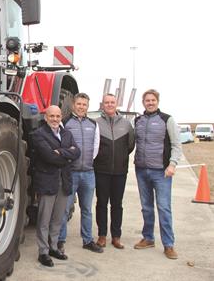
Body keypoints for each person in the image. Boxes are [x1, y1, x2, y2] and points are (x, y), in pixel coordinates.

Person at [133, 89, 182, 259]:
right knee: (146, 207)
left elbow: (177, 144)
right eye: (147, 100)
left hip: (162, 172)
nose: (150, 103)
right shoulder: (138, 120)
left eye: (153, 100)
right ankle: (148, 238)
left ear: (157, 101)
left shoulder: (167, 120)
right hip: (141, 170)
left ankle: (168, 245)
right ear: (143, 102)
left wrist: (172, 164)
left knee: (164, 208)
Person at [31, 105, 80, 267]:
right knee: (44, 218)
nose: (55, 119)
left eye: (58, 116)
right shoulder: (39, 134)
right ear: (46, 117)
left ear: (61, 117)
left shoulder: (67, 133)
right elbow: (49, 156)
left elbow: (77, 152)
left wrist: (61, 152)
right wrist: (67, 154)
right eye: (52, 116)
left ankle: (53, 247)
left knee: (59, 218)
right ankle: (43, 252)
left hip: (64, 181)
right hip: (47, 181)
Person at [59, 92, 103, 253]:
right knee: (64, 208)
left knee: (86, 209)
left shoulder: (93, 124)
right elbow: (62, 145)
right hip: (71, 173)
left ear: (87, 107)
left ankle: (87, 240)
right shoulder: (66, 123)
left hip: (88, 173)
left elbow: (96, 147)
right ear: (73, 105)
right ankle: (60, 240)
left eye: (84, 104)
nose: (81, 107)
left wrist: (87, 162)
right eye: (79, 104)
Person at [93, 94, 135, 249]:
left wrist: (120, 158)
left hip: (120, 171)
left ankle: (116, 236)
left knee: (117, 204)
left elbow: (130, 145)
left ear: (117, 104)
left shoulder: (126, 124)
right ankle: (102, 235)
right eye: (106, 102)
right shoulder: (96, 123)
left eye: (112, 102)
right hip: (101, 170)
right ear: (102, 104)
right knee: (101, 203)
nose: (109, 105)